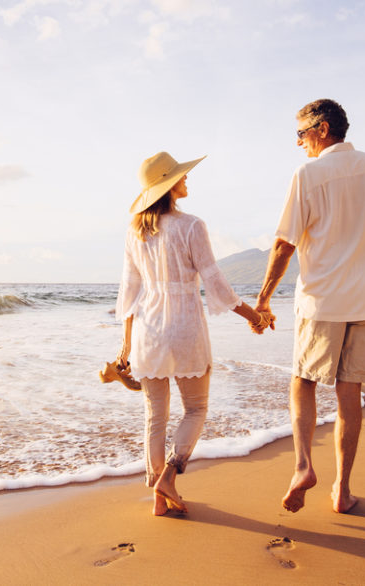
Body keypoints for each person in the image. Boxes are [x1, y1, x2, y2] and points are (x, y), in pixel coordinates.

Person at [254, 99, 365, 514]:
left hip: (323, 301)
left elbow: (284, 242)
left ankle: (304, 465)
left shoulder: (309, 173)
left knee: (303, 381)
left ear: (322, 130)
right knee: (349, 390)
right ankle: (342, 490)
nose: (300, 143)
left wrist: (264, 297)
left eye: (301, 134)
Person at [115, 151, 272, 516]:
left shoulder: (135, 231)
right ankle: (170, 474)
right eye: (182, 177)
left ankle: (158, 497)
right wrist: (253, 316)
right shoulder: (191, 226)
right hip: (184, 327)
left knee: (155, 416)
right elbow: (215, 282)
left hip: (147, 330)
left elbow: (128, 292)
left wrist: (125, 344)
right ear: (170, 185)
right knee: (196, 409)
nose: (188, 180)